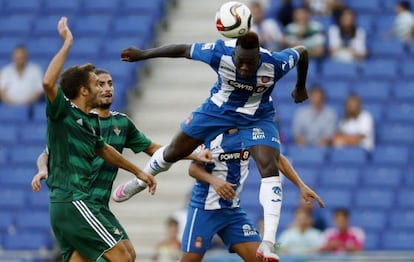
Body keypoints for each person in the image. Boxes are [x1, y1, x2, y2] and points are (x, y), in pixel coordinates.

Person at [112, 31, 321, 261]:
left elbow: (302, 51)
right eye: (240, 62)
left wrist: (300, 86)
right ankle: (141, 179)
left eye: (249, 64)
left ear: (258, 59)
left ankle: (268, 242)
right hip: (207, 193)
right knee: (174, 151)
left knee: (268, 168)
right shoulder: (220, 54)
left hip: (250, 139)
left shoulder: (275, 64)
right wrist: (143, 54)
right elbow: (182, 49)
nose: (243, 68)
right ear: (235, 54)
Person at [32, 68, 211, 261]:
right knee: (120, 257)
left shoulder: (121, 123)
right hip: (80, 203)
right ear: (87, 89)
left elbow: (154, 149)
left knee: (128, 255)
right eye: (100, 84)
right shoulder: (76, 122)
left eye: (110, 83)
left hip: (99, 205)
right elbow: (47, 153)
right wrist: (42, 170)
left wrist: (194, 154)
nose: (107, 89)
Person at [36, 17, 156, 262]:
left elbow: (104, 149)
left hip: (68, 206)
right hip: (73, 201)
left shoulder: (89, 122)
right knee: (122, 256)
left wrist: (138, 172)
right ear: (83, 91)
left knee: (126, 254)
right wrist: (68, 42)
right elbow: (48, 82)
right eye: (95, 84)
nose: (101, 89)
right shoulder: (63, 113)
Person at [180, 128, 324, 262]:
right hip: (204, 210)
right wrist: (215, 181)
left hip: (232, 211)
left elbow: (277, 158)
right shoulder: (212, 134)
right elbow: (193, 169)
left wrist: (301, 185)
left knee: (260, 259)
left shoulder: (250, 134)